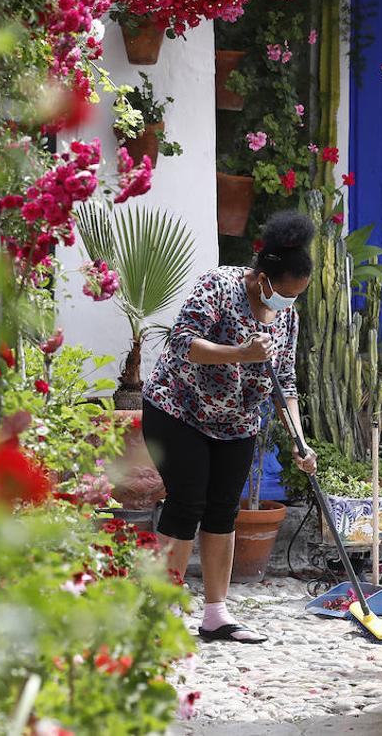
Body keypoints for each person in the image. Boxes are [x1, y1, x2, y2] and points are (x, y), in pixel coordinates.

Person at [141, 210, 318, 644]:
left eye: (296, 296)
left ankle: (216, 615)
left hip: (236, 422)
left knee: (223, 510)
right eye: (284, 293)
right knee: (187, 504)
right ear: (261, 279)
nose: (288, 303)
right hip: (178, 409)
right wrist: (240, 352)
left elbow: (286, 382)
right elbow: (183, 343)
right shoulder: (219, 285)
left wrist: (299, 440)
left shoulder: (287, 317)